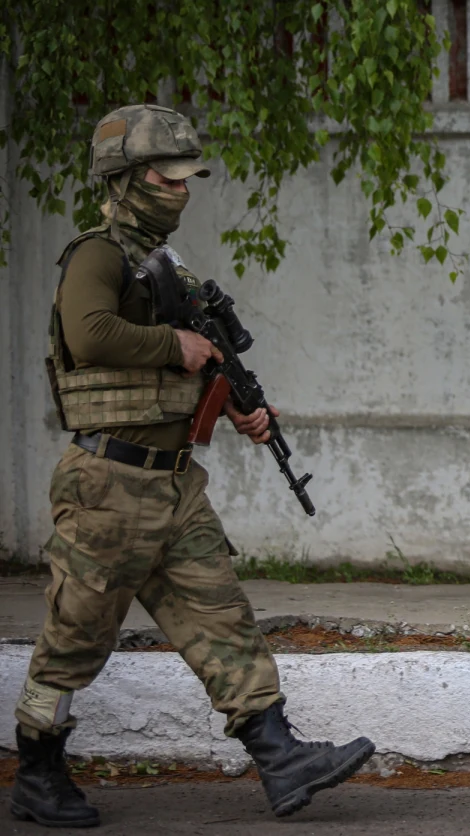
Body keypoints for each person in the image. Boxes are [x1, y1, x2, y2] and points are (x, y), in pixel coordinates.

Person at [10, 104, 376, 828]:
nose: (180, 188)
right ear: (124, 178)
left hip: (175, 485)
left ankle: (282, 759)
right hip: (107, 486)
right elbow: (87, 335)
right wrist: (174, 347)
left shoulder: (171, 266)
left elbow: (192, 359)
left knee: (222, 621)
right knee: (73, 639)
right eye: (165, 175)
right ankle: (38, 773)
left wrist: (234, 404)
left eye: (185, 177)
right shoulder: (98, 254)